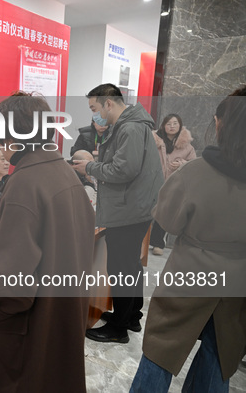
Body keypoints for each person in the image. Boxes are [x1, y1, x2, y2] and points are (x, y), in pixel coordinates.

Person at [0, 92, 95, 392]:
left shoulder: (23, 184)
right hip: (62, 319)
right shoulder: (63, 172)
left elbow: (14, 289)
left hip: (28, 337)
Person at [130, 85, 246, 392]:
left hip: (191, 274)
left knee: (160, 352)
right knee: (218, 355)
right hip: (238, 283)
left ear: (221, 122)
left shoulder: (196, 172)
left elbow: (166, 222)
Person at [72, 83, 163, 343]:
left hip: (129, 209)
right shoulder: (132, 125)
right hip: (135, 206)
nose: (94, 115)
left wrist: (90, 167)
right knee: (131, 264)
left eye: (94, 108)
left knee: (121, 267)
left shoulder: (130, 127)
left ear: (108, 103)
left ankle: (119, 328)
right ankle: (130, 316)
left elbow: (124, 170)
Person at [150, 114, 196, 255]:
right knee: (146, 212)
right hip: (152, 181)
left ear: (180, 126)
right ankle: (142, 241)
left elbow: (193, 164)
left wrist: (182, 164)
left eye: (175, 123)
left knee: (164, 212)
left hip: (173, 184)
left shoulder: (187, 146)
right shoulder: (153, 140)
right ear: (163, 125)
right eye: (168, 123)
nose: (172, 126)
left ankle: (158, 243)